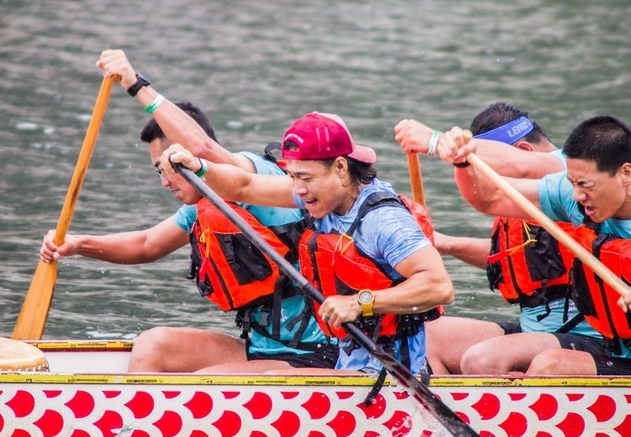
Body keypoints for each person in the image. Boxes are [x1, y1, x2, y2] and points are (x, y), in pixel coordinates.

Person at [40, 52, 334, 373]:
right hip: (260, 349)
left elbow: (204, 150)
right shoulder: (201, 206)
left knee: (209, 379)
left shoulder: (259, 177)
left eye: (169, 167)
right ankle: (133, 423)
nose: (165, 181)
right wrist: (77, 244)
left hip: (321, 355)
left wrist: (136, 84)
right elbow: (146, 244)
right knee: (153, 346)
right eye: (158, 171)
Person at [422, 115, 631, 376]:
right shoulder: (576, 195)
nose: (575, 196)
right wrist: (463, 163)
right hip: (608, 343)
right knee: (444, 340)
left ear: (625, 174)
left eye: (585, 185)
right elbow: (489, 198)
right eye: (572, 183)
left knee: (549, 365)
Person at [161, 112, 454, 376]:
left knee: (274, 381)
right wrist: (199, 167)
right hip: (350, 362)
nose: (298, 189)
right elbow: (244, 186)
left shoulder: (383, 222)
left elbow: (440, 287)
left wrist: (359, 303)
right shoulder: (324, 195)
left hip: (393, 373)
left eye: (305, 177)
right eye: (292, 176)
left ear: (340, 167)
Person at [394, 104, 595, 374]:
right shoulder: (526, 200)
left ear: (524, 150)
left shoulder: (572, 171)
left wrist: (436, 141)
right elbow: (510, 258)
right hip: (531, 330)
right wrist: (448, 245)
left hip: (591, 338)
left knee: (484, 358)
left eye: (489, 168)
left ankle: (504, 401)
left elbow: (519, 166)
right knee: (424, 334)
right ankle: (444, 413)